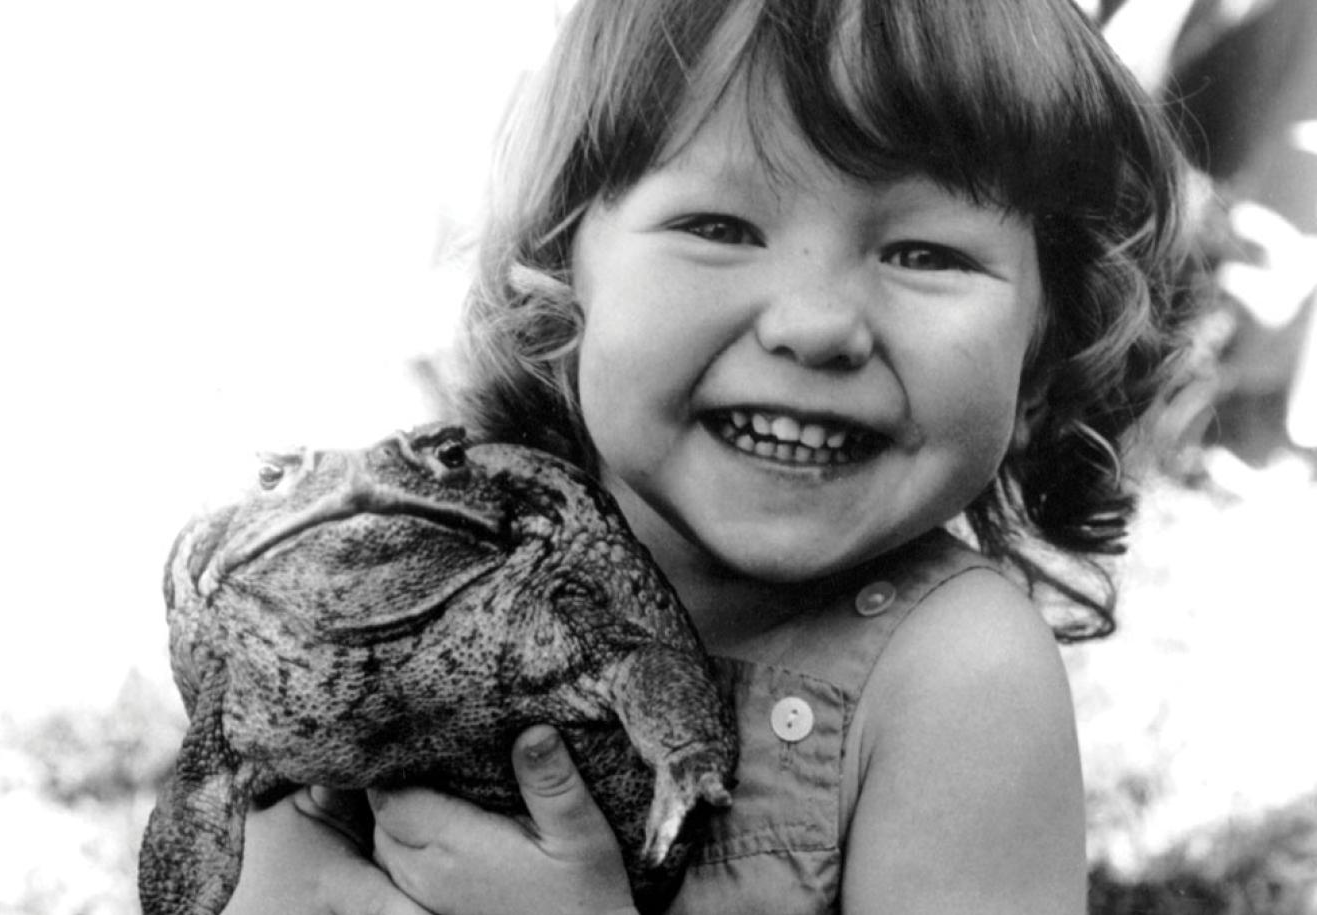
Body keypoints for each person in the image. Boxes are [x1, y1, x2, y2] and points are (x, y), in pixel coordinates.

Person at [222, 0, 1194, 912]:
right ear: (566, 280)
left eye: (924, 253)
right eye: (719, 228)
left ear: (1041, 354)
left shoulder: (960, 680)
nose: (817, 325)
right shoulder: (441, 556)